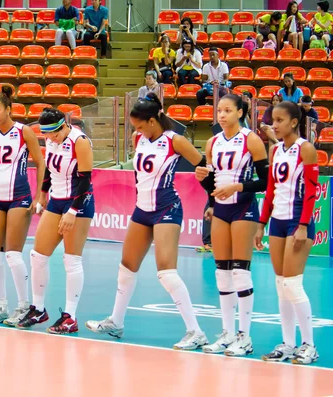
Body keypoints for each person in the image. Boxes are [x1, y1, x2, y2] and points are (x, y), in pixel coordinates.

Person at [86, 94, 208, 349]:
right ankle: (116, 323)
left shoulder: (176, 141)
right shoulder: (139, 139)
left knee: (166, 272)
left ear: (153, 121)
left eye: (140, 126)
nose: (137, 131)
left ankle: (196, 332)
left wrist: (214, 201)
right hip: (142, 209)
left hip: (166, 208)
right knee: (126, 266)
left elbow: (205, 167)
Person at [195, 94, 268, 356]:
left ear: (240, 112)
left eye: (228, 110)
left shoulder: (251, 139)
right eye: (219, 110)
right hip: (221, 210)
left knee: (240, 272)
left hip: (244, 206)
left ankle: (244, 337)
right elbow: (211, 181)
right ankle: (226, 333)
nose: (222, 115)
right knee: (221, 272)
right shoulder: (212, 142)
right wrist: (203, 182)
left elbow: (266, 181)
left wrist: (238, 186)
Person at [0, 86, 45, 326]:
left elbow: (41, 164)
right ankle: (0, 306)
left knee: (13, 254)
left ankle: (23, 306)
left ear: (8, 109)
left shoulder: (24, 131)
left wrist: (38, 196)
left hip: (19, 197)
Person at [15, 108, 94, 334]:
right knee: (37, 255)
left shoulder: (79, 141)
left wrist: (73, 211)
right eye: (47, 136)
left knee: (71, 260)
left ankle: (70, 316)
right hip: (56, 201)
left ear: (63, 126)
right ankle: (38, 309)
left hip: (78, 202)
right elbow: (49, 169)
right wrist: (42, 194)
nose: (51, 139)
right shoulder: (51, 140)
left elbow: (86, 179)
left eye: (54, 134)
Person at [256, 101, 319, 365]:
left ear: (294, 122)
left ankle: (309, 345)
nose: (274, 125)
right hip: (278, 222)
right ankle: (288, 343)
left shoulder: (306, 149)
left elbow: (312, 191)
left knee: (293, 284)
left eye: (280, 120)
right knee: (281, 285)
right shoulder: (276, 151)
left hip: (297, 221)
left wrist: (303, 225)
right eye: (273, 120)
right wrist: (261, 223)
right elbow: (270, 191)